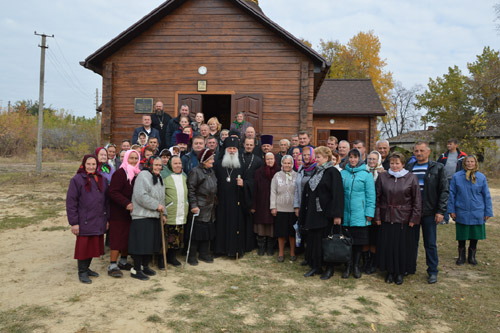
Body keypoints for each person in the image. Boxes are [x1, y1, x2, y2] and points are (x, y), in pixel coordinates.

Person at [375, 152, 422, 285]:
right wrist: (378, 216)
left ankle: (400, 272)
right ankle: (389, 271)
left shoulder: (411, 178)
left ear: (402, 164)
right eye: (392, 163)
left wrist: (414, 218)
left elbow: (417, 200)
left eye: (397, 163)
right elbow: (378, 198)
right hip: (387, 216)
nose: (394, 166)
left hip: (404, 218)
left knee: (402, 246)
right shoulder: (383, 177)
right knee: (388, 245)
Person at [298, 146, 344, 280]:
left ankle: (329, 268)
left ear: (326, 158)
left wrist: (337, 215)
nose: (315, 159)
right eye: (316, 156)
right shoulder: (317, 171)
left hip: (326, 214)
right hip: (314, 213)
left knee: (327, 241)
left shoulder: (332, 172)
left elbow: (337, 194)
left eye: (318, 157)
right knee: (315, 241)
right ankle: (316, 266)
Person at [406, 141, 448, 284]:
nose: (419, 153)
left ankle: (432, 271)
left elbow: (444, 190)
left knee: (430, 243)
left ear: (428, 152)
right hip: (412, 211)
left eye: (422, 150)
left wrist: (441, 211)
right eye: (416, 151)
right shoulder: (409, 167)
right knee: (411, 242)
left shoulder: (437, 168)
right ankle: (410, 267)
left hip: (430, 211)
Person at [66, 154, 109, 284]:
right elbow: (71, 202)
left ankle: (87, 268)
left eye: (94, 164)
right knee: (84, 247)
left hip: (98, 218)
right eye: (88, 164)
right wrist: (74, 223)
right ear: (84, 165)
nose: (91, 167)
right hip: (84, 220)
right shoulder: (77, 180)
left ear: (97, 165)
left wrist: (107, 219)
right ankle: (82, 271)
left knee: (93, 245)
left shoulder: (101, 179)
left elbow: (106, 201)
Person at [448, 155, 493, 266]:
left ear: (475, 163)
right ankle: (461, 256)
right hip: (461, 210)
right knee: (462, 234)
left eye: (472, 161)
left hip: (477, 210)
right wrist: (451, 210)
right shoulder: (457, 176)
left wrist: (488, 211)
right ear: (464, 163)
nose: (469, 163)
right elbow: (452, 194)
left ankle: (472, 256)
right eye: (467, 161)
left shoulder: (481, 177)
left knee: (474, 234)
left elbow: (486, 195)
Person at [340, 149, 376, 279]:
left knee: (358, 242)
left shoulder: (366, 175)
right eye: (350, 157)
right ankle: (347, 266)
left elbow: (371, 196)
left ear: (359, 158)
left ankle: (356, 266)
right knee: (346, 242)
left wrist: (369, 213)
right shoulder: (343, 173)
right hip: (345, 213)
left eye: (355, 157)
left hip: (360, 214)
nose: (352, 160)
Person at [128, 156, 165, 281]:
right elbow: (140, 196)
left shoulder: (159, 178)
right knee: (141, 245)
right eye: (156, 165)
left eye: (160, 165)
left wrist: (163, 214)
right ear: (150, 164)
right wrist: (156, 206)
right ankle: (136, 269)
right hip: (142, 216)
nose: (158, 167)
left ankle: (145, 266)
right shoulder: (143, 175)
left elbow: (162, 198)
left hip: (154, 216)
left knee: (149, 244)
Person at [107, 150, 140, 278]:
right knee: (117, 238)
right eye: (131, 158)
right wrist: (126, 203)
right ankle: (112, 264)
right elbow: (113, 192)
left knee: (127, 237)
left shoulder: (138, 174)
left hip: (132, 212)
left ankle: (123, 261)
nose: (133, 161)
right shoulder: (120, 173)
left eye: (135, 158)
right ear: (125, 159)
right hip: (119, 211)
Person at [214, 137, 247, 258]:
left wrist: (244, 184)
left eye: (234, 148)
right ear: (225, 150)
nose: (232, 151)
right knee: (221, 225)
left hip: (235, 201)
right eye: (230, 148)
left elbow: (249, 182)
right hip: (221, 201)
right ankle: (220, 250)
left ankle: (234, 250)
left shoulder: (242, 165)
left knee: (234, 226)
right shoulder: (218, 164)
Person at [186, 149, 218, 265]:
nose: (213, 161)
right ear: (204, 160)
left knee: (207, 231)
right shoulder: (195, 172)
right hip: (199, 206)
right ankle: (192, 255)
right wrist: (193, 205)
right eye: (211, 159)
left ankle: (204, 253)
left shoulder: (211, 172)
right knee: (196, 233)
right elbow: (191, 189)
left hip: (210, 207)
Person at [162, 155, 188, 267]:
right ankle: (162, 259)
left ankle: (173, 257)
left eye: (180, 163)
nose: (178, 166)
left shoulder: (184, 175)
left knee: (177, 236)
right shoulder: (164, 176)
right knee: (167, 236)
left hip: (181, 209)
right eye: (175, 163)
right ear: (170, 165)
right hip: (170, 210)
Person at [270, 155, 297, 262]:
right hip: (280, 209)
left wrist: (298, 207)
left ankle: (292, 252)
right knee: (281, 233)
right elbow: (273, 192)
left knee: (292, 233)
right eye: (285, 163)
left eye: (289, 163)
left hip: (293, 209)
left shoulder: (297, 175)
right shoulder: (277, 176)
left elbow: (299, 192)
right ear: (282, 164)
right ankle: (281, 253)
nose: (287, 165)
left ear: (292, 164)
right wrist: (273, 207)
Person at [252, 152, 280, 256]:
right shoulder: (259, 172)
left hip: (274, 203)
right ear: (265, 160)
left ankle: (270, 248)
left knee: (272, 226)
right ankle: (261, 247)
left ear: (275, 159)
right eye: (267, 159)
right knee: (261, 226)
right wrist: (253, 205)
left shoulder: (279, 171)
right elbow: (255, 189)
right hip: (261, 203)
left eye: (271, 159)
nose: (269, 161)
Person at [240, 137, 264, 252]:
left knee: (250, 220)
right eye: (247, 144)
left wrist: (246, 184)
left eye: (251, 145)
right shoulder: (238, 158)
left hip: (251, 193)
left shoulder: (258, 161)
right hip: (239, 193)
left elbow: (259, 180)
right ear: (243, 145)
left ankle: (250, 244)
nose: (249, 146)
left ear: (254, 146)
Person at [363, 150, 385, 274]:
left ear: (379, 161)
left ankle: (373, 262)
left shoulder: (383, 173)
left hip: (377, 209)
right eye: (369, 159)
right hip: (364, 208)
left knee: (374, 237)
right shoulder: (363, 171)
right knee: (365, 236)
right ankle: (365, 260)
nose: (371, 161)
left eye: (374, 159)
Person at [437, 138, 467, 224]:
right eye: (448, 144)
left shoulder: (462, 156)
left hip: (458, 180)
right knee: (445, 198)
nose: (448, 146)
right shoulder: (443, 155)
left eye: (450, 144)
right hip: (445, 180)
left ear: (456, 145)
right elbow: (438, 166)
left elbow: (466, 166)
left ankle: (458, 217)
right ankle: (445, 219)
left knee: (457, 198)